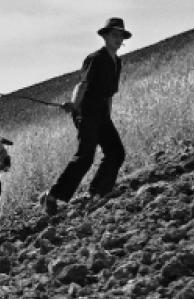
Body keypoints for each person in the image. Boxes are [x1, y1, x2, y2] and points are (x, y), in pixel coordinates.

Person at [40, 17, 130, 215]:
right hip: (87, 111)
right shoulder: (95, 58)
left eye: (121, 35)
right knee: (86, 156)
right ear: (105, 36)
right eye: (114, 34)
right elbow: (82, 85)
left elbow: (110, 93)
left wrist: (107, 114)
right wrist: (74, 104)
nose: (118, 38)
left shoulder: (117, 62)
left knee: (116, 152)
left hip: (102, 113)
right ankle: (52, 195)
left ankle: (98, 192)